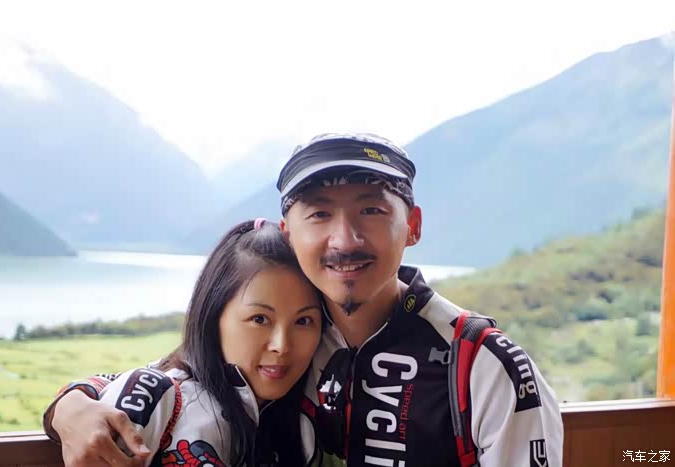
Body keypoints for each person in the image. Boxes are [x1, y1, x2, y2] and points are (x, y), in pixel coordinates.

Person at [45, 133, 564, 466]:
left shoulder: (483, 366)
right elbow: (168, 378)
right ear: (288, 233)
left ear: (413, 226)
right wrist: (69, 407)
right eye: (319, 214)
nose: (344, 239)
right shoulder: (295, 340)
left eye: (371, 210)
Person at [43, 219, 323, 467]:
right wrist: (70, 402)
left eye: (303, 321)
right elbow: (132, 383)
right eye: (260, 319)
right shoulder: (161, 397)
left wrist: (69, 400)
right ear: (213, 315)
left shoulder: (307, 412)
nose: (282, 345)